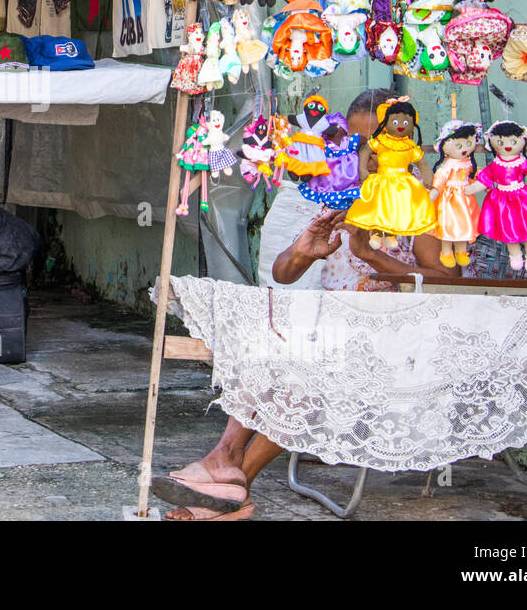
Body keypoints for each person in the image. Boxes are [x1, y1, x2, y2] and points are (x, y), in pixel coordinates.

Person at [155, 88, 466, 520]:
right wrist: (304, 251)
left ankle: (228, 482)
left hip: (395, 340)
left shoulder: (423, 203)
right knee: (280, 345)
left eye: (378, 141)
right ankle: (226, 473)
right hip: (331, 331)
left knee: (306, 367)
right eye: (356, 144)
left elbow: (449, 280)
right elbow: (284, 275)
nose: (369, 155)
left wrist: (373, 255)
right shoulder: (337, 197)